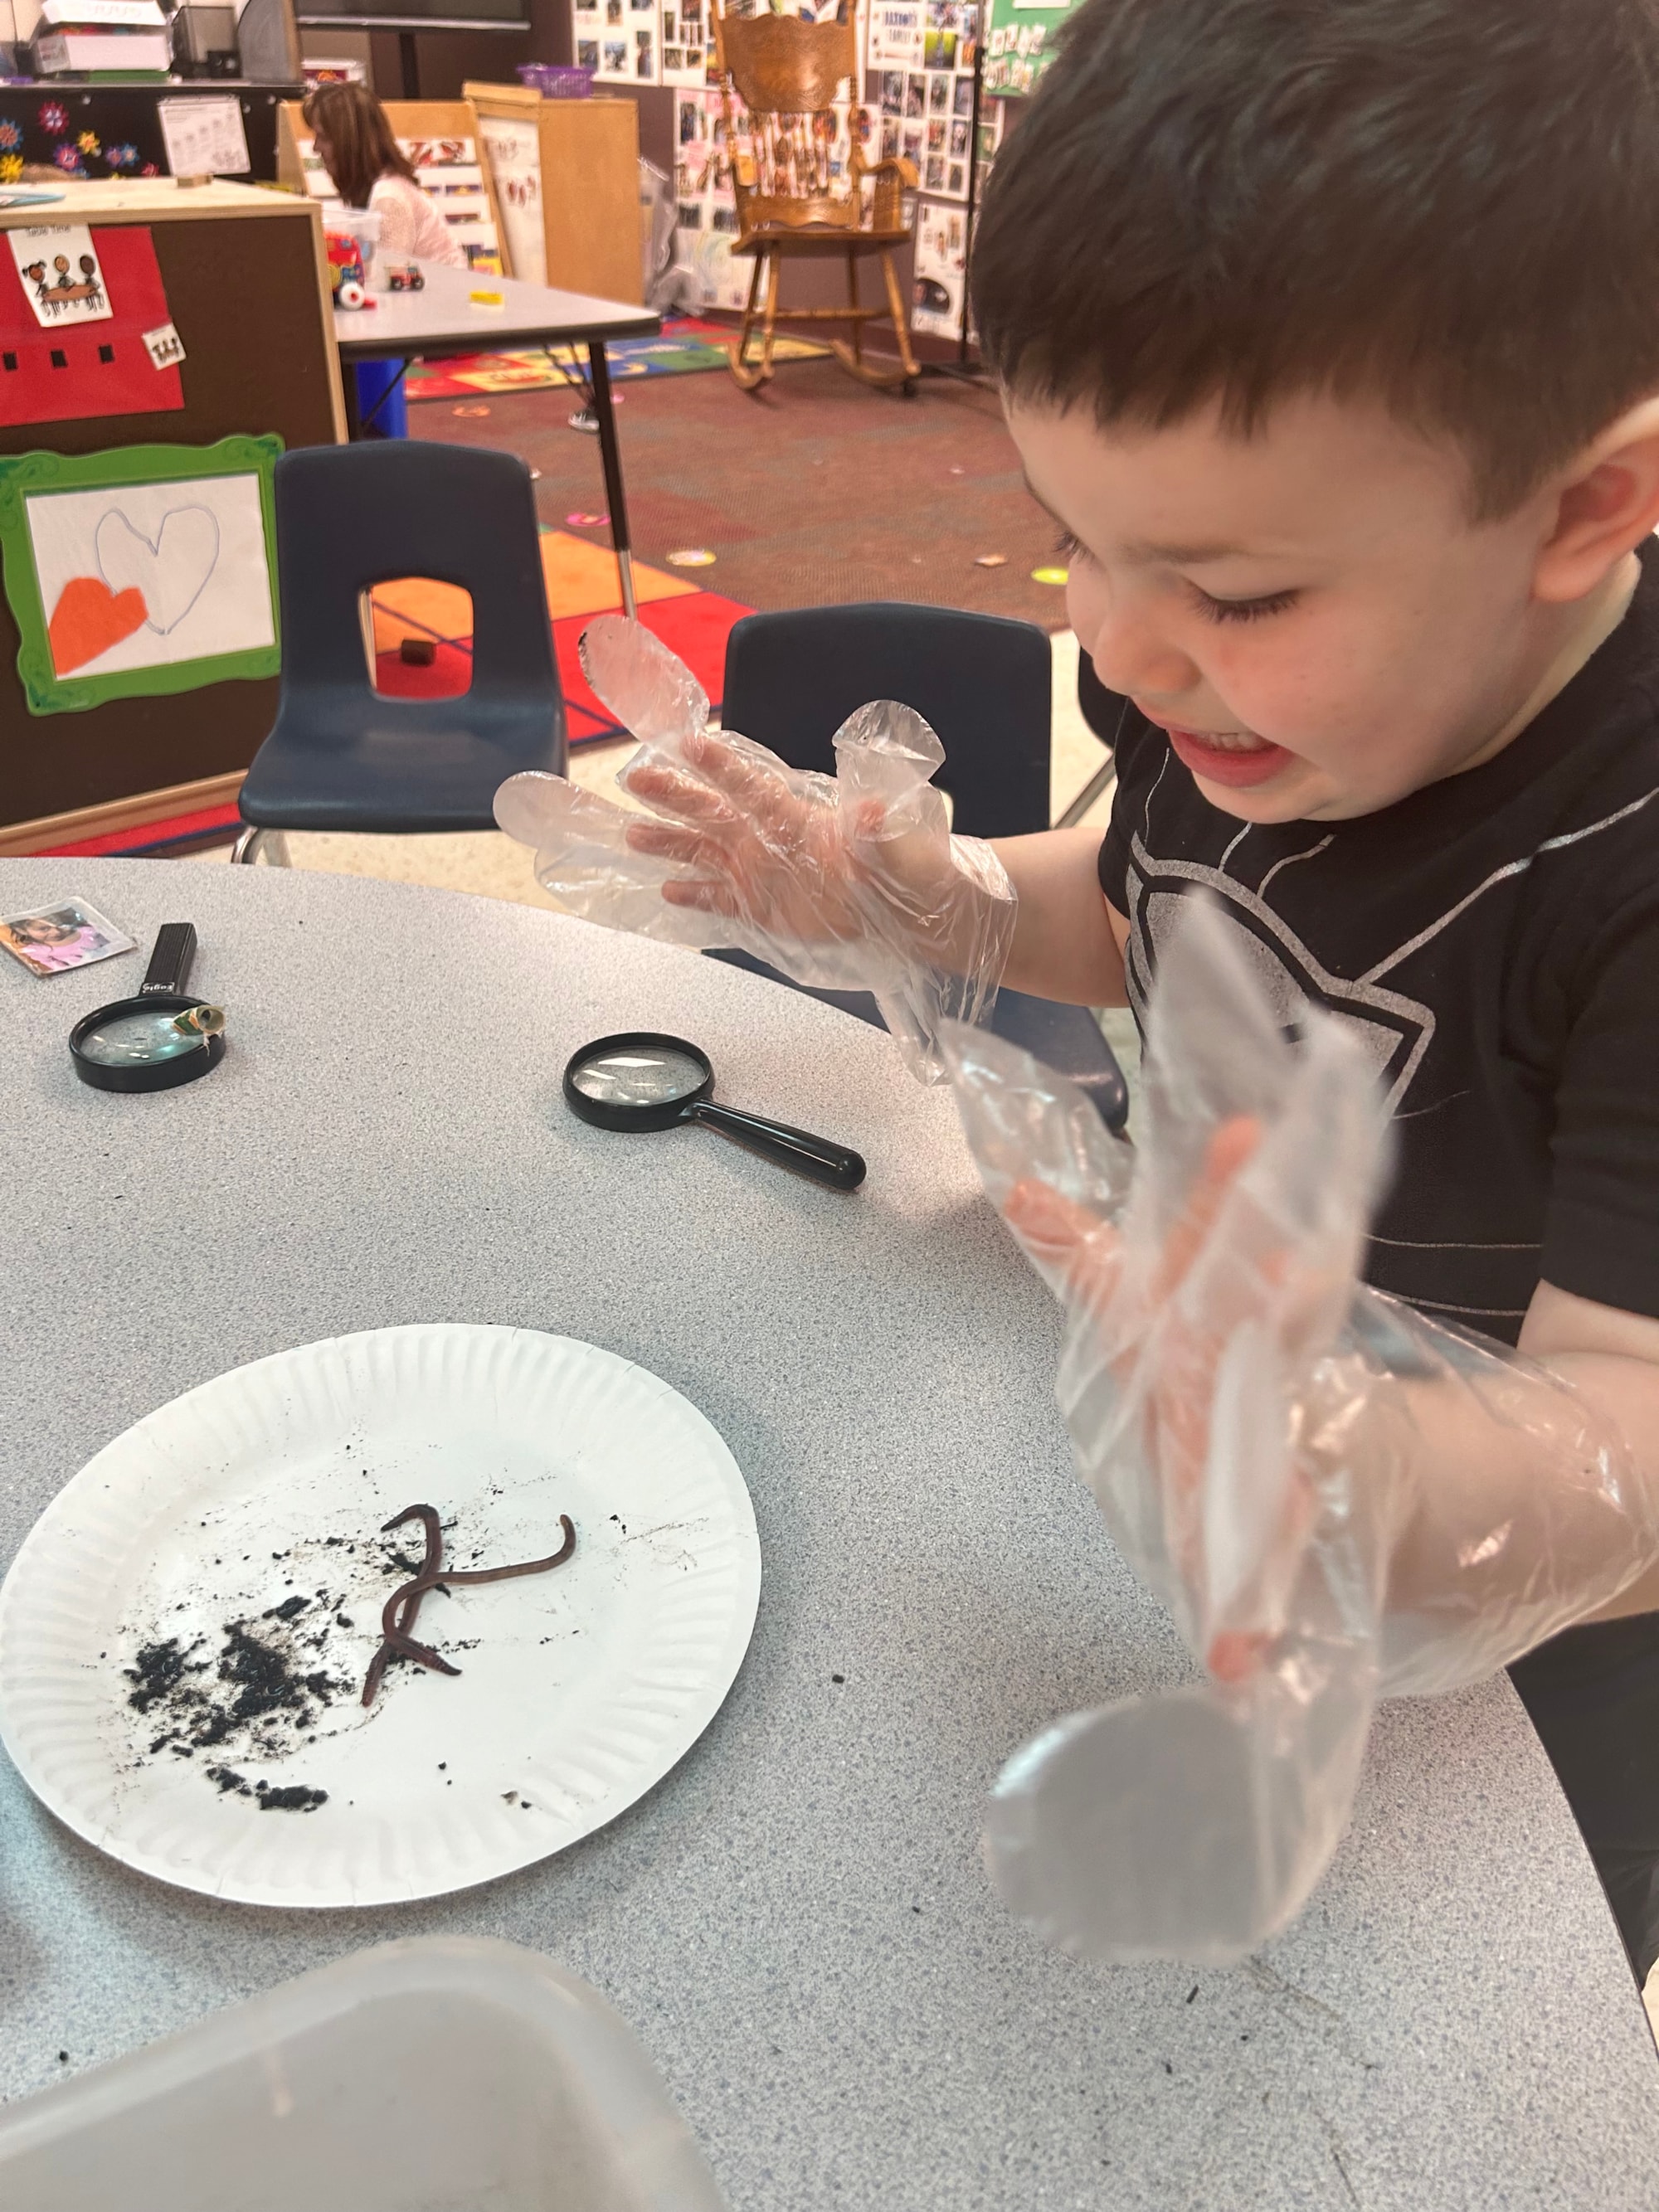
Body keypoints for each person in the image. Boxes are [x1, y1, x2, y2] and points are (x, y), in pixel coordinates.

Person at [501, 0, 1659, 1982]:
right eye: (1069, 546)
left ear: (1572, 508)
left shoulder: (1618, 867)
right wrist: (916, 897)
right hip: (1168, 1448)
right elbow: (1134, 912)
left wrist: (1348, 1468)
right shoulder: (1247, 705)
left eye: (1230, 593)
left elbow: (1620, 1434)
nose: (1115, 653)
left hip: (1522, 1679)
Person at [302, 81, 464, 270]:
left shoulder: (389, 198)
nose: (316, 148)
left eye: (323, 137)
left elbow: (384, 280)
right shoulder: (385, 188)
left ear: (349, 142)